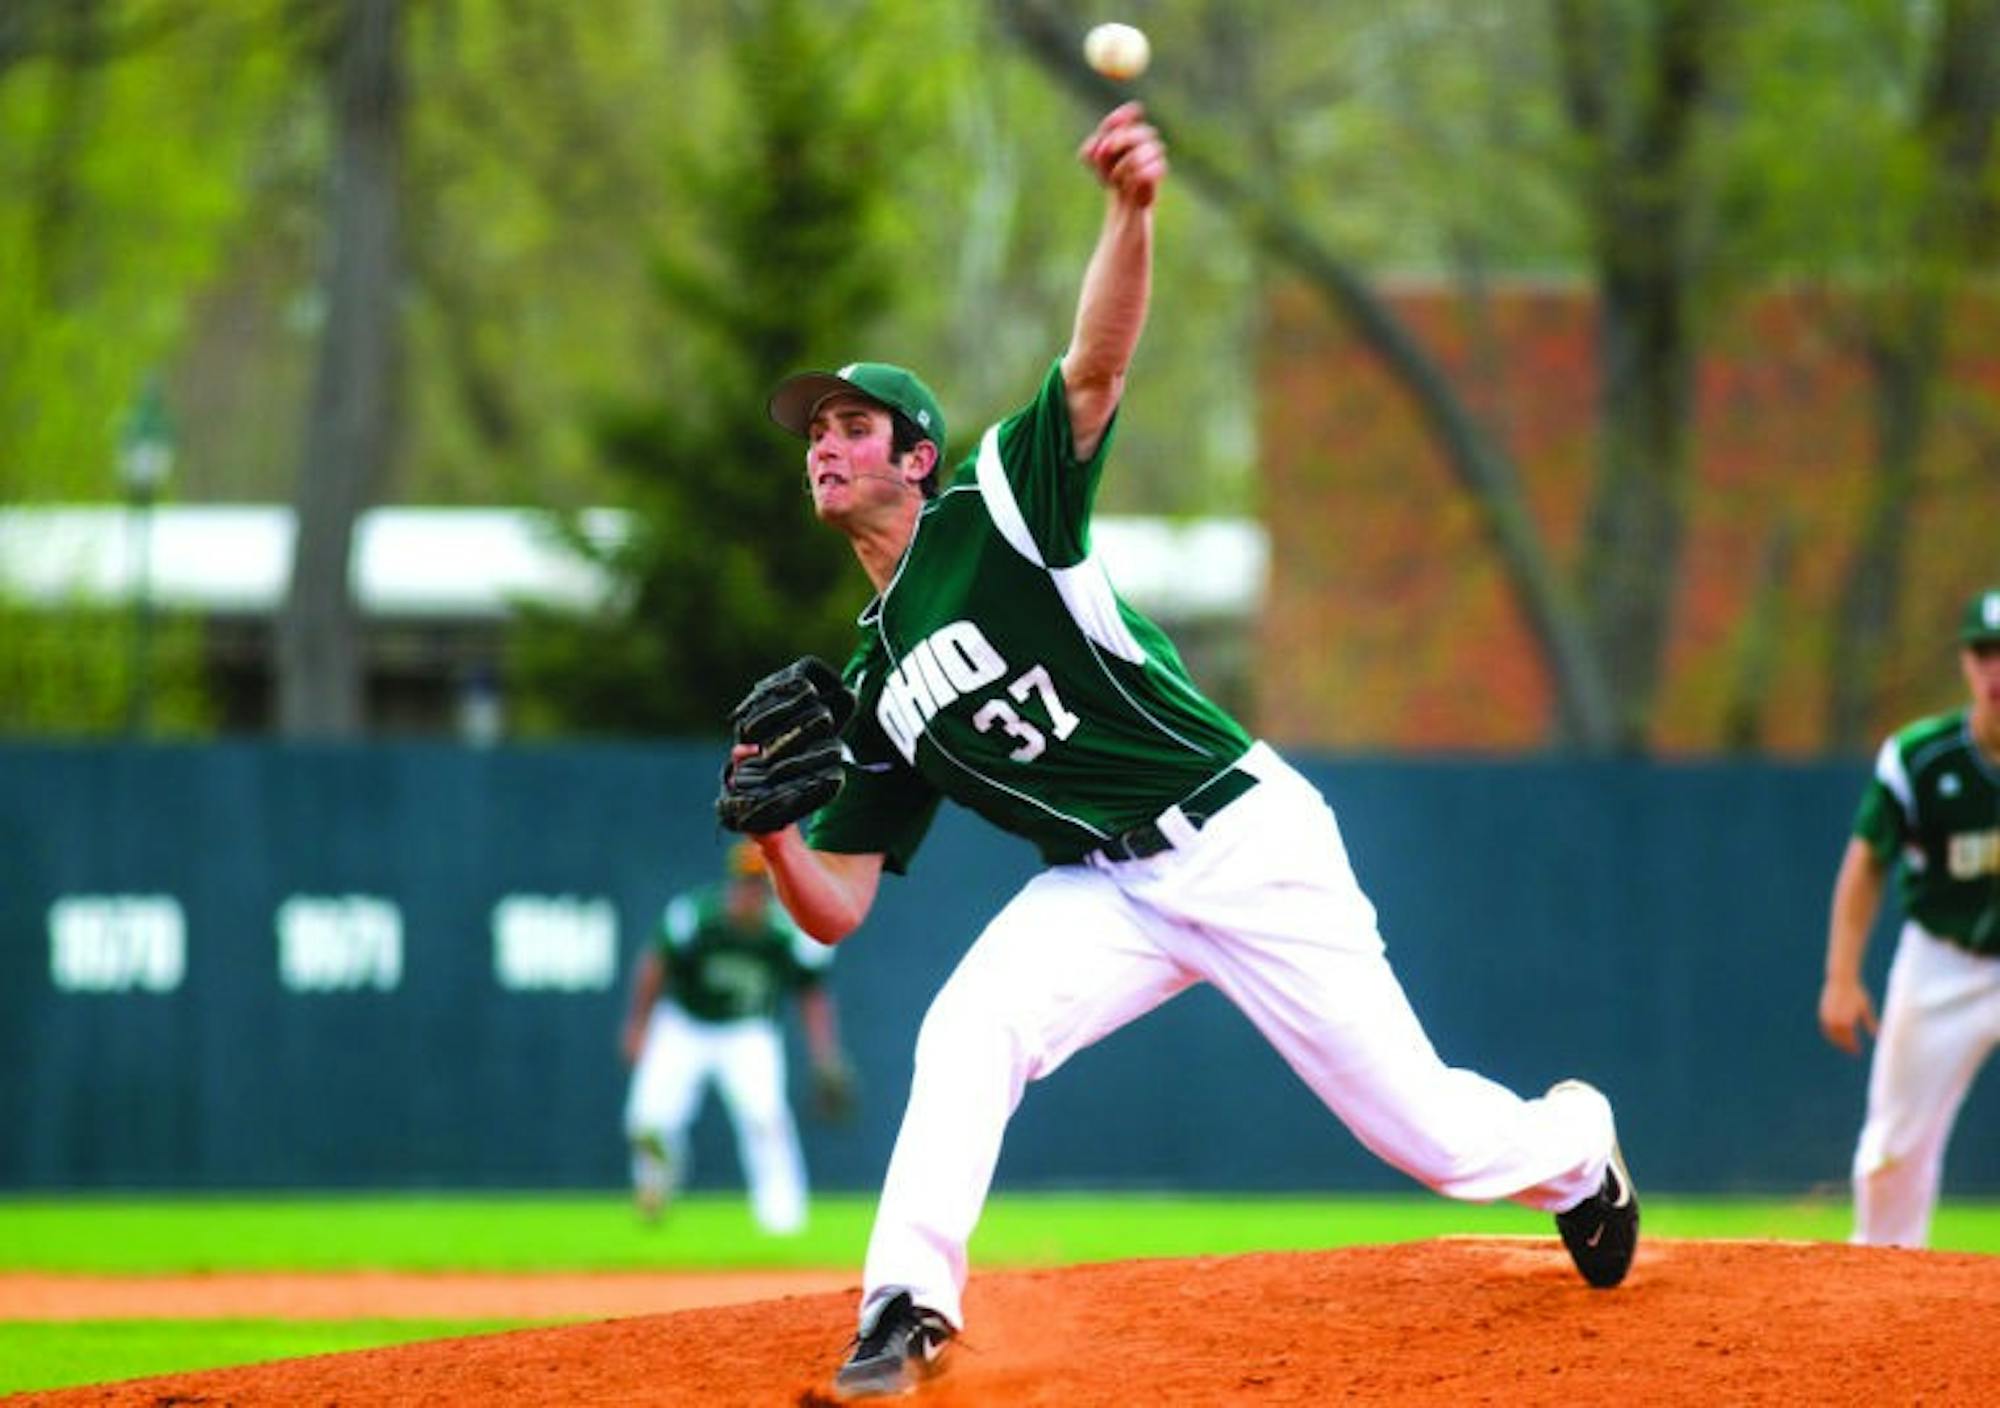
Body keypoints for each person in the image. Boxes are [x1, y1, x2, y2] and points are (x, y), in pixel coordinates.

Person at [730, 103, 1638, 1399]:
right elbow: (839, 910)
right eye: (813, 430)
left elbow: (1093, 371)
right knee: (968, 1027)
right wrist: (773, 836)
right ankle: (905, 1312)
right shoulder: (871, 683)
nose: (823, 440)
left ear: (916, 455)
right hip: (1104, 889)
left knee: (1429, 1138)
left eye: (850, 423)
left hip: (1240, 836)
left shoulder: (995, 506)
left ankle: (1577, 1147)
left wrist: (1130, 210)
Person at [1818, 585, 2000, 1247]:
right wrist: (1842, 977)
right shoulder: (1921, 758)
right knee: (1895, 1145)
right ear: (1966, 663)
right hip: (1942, 962)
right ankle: (1885, 1277)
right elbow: (1867, 862)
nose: (1996, 669)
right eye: (1984, 652)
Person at [619, 840, 854, 1234]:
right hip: (685, 1025)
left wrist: (824, 1055)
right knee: (647, 1121)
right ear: (733, 882)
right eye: (747, 882)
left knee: (765, 1117)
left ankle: (782, 1220)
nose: (753, 893)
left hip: (748, 1032)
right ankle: (655, 1186)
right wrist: (637, 1025)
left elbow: (812, 993)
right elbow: (654, 964)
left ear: (775, 889)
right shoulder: (696, 917)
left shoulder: (789, 932)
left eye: (762, 885)